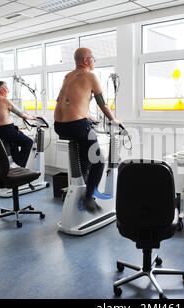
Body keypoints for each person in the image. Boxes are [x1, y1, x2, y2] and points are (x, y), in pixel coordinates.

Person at [54, 48, 120, 212]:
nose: (94, 61)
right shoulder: (91, 76)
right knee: (99, 161)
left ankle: (80, 188)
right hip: (77, 125)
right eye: (93, 58)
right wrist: (114, 120)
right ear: (85, 60)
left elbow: (65, 100)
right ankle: (88, 198)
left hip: (60, 126)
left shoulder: (68, 77)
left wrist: (85, 115)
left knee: (86, 157)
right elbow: (102, 103)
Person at [0, 81, 36, 168]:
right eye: (7, 89)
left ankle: (16, 165)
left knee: (13, 143)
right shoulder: (4, 100)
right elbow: (21, 114)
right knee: (28, 142)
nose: (8, 91)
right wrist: (33, 117)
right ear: (1, 89)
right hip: (6, 130)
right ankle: (20, 167)